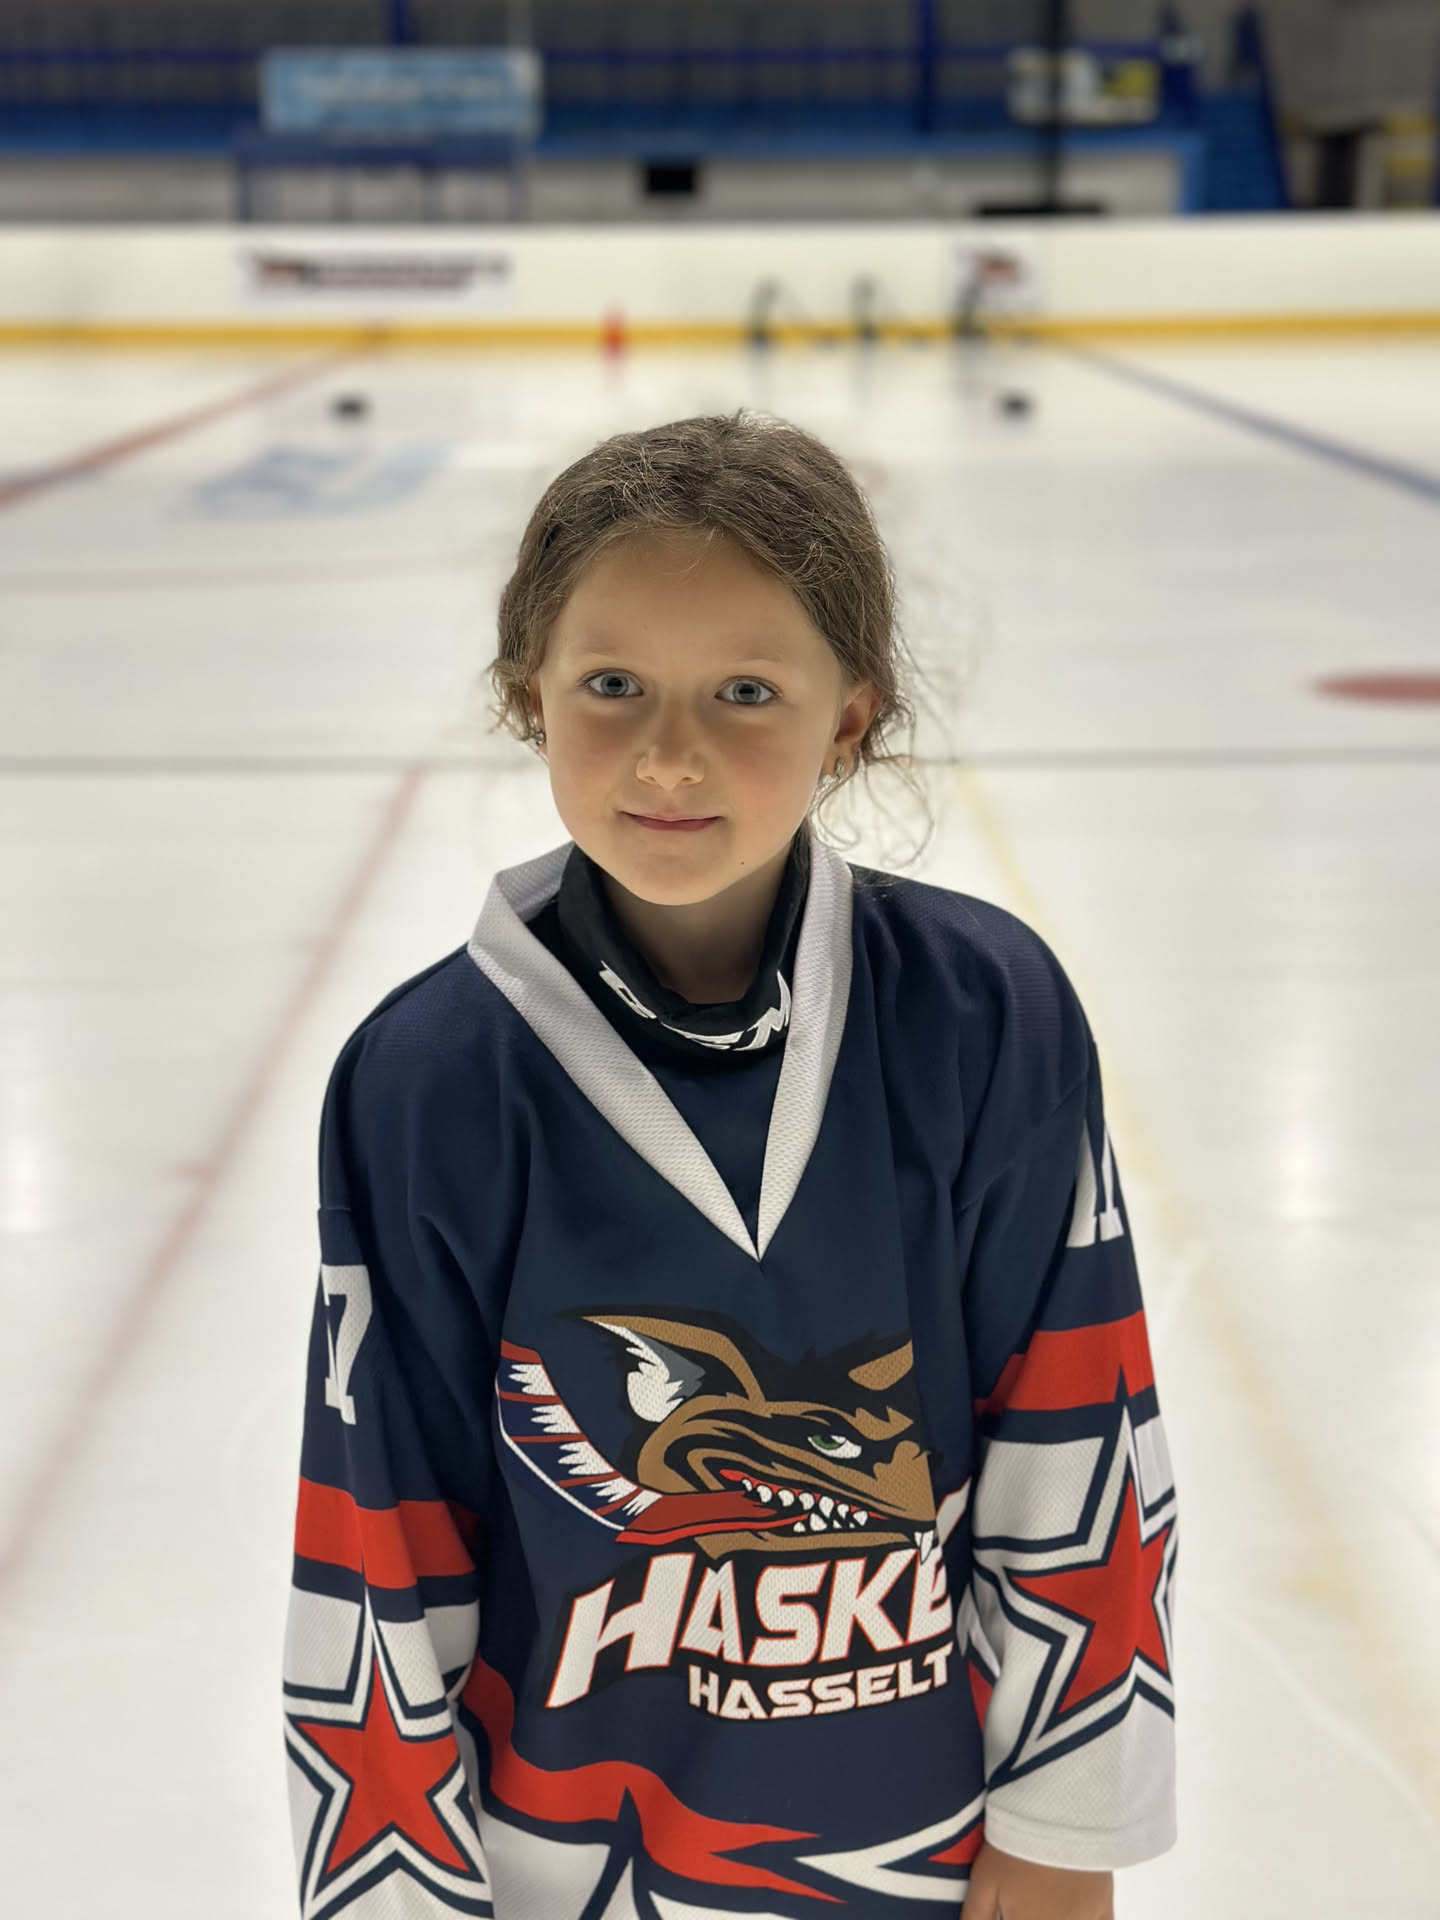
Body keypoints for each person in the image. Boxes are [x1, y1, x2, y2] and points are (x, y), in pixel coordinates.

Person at [283, 412, 1177, 1920]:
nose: (670, 754)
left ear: (851, 716)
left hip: (931, 1856)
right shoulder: (430, 1081)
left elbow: (1078, 1441)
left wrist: (1064, 1838)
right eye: (611, 685)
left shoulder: (981, 1015)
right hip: (565, 1872)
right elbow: (383, 1538)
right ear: (527, 694)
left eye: (746, 691)